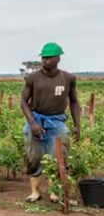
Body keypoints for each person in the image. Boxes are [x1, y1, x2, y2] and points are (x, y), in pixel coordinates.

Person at [20, 42, 81, 203]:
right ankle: (35, 192)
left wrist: (77, 125)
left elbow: (74, 101)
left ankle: (55, 192)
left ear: (58, 58)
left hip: (57, 122)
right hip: (36, 120)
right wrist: (32, 123)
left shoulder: (67, 78)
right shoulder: (33, 78)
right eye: (43, 57)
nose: (45, 60)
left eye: (48, 57)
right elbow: (23, 101)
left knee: (59, 157)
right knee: (34, 157)